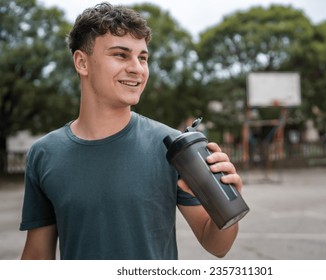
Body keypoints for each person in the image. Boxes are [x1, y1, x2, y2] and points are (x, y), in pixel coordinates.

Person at [19, 2, 243, 260]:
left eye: (143, 57)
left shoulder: (171, 147)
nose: (137, 68)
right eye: (121, 55)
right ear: (82, 62)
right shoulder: (44, 154)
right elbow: (37, 256)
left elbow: (217, 245)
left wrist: (228, 203)